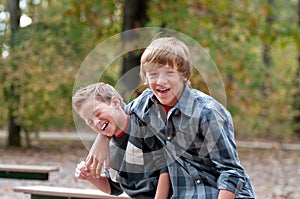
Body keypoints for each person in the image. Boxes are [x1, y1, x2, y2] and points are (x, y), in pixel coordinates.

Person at [85, 36, 255, 199]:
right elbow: (118, 117)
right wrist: (102, 138)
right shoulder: (145, 104)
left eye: (169, 72)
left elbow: (231, 173)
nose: (160, 81)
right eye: (153, 74)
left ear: (184, 75)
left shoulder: (207, 112)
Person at [72, 82, 171, 199]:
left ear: (115, 103)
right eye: (90, 122)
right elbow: (114, 187)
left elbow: (166, 167)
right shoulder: (109, 148)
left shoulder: (142, 124)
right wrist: (90, 176)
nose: (96, 122)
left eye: (97, 113)